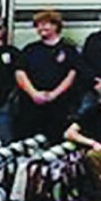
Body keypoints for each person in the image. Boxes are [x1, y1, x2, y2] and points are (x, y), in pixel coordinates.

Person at [15, 10, 80, 142]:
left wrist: (53, 94)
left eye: (46, 24)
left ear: (56, 26)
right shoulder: (30, 49)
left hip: (59, 107)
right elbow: (20, 73)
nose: (42, 28)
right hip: (31, 107)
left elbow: (72, 74)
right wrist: (34, 93)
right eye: (38, 25)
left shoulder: (69, 49)